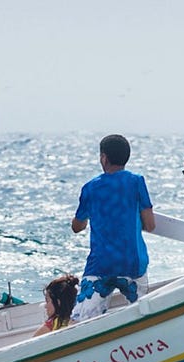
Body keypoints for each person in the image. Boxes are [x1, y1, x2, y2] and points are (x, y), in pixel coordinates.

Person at [70, 134, 156, 321]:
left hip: (101, 266)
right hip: (133, 265)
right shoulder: (137, 181)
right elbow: (150, 225)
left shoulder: (90, 188)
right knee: (144, 313)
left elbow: (77, 227)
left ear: (104, 158)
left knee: (79, 321)